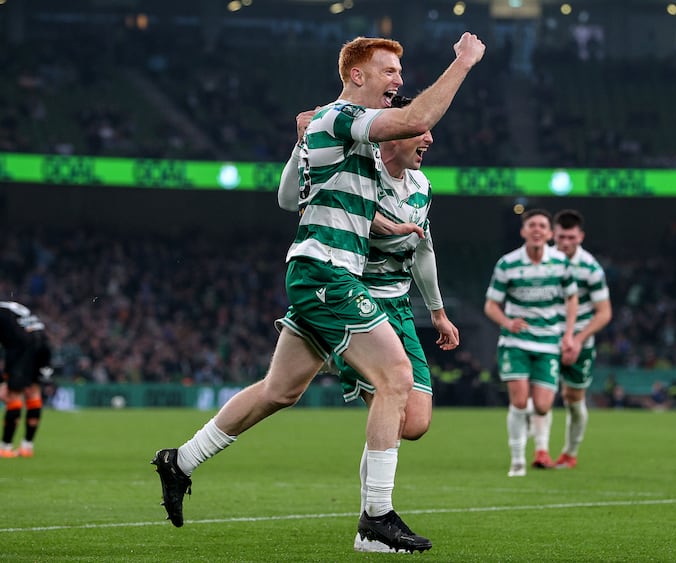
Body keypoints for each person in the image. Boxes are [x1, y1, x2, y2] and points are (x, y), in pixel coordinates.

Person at [151, 33, 485, 554]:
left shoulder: (347, 140)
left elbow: (304, 196)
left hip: (326, 274)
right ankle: (375, 519)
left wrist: (387, 225)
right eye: (390, 72)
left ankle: (180, 460)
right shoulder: (340, 117)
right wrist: (462, 63)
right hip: (326, 272)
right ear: (357, 75)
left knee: (279, 391)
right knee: (395, 378)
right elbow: (414, 121)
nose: (398, 81)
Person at [278, 94, 460, 552]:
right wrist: (302, 144)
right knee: (386, 392)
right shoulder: (357, 166)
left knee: (414, 422)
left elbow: (424, 249)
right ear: (394, 132)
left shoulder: (421, 186)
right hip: (356, 298)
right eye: (421, 131)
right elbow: (299, 202)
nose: (429, 139)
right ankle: (375, 518)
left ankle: (373, 515)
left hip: (398, 304)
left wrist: (436, 311)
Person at [484, 209, 578, 477]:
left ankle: (539, 445)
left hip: (549, 341)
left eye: (542, 226)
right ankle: (517, 460)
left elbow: (572, 298)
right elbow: (491, 305)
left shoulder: (560, 263)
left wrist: (569, 334)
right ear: (524, 231)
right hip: (516, 342)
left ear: (549, 233)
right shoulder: (507, 264)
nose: (537, 229)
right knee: (520, 401)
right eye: (532, 225)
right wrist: (507, 322)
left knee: (543, 405)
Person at [547, 209, 612, 469]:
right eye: (562, 237)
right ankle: (538, 450)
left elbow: (604, 312)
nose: (566, 243)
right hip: (546, 337)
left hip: (580, 341)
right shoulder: (541, 260)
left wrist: (577, 338)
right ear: (554, 235)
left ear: (580, 237)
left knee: (573, 400)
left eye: (571, 238)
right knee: (534, 397)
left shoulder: (590, 268)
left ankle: (569, 454)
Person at [0, 301, 53, 458]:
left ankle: (5, 447)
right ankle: (27, 447)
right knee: (33, 393)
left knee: (13, 396)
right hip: (43, 343)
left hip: (22, 347)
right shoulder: (9, 306)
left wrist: (2, 381)